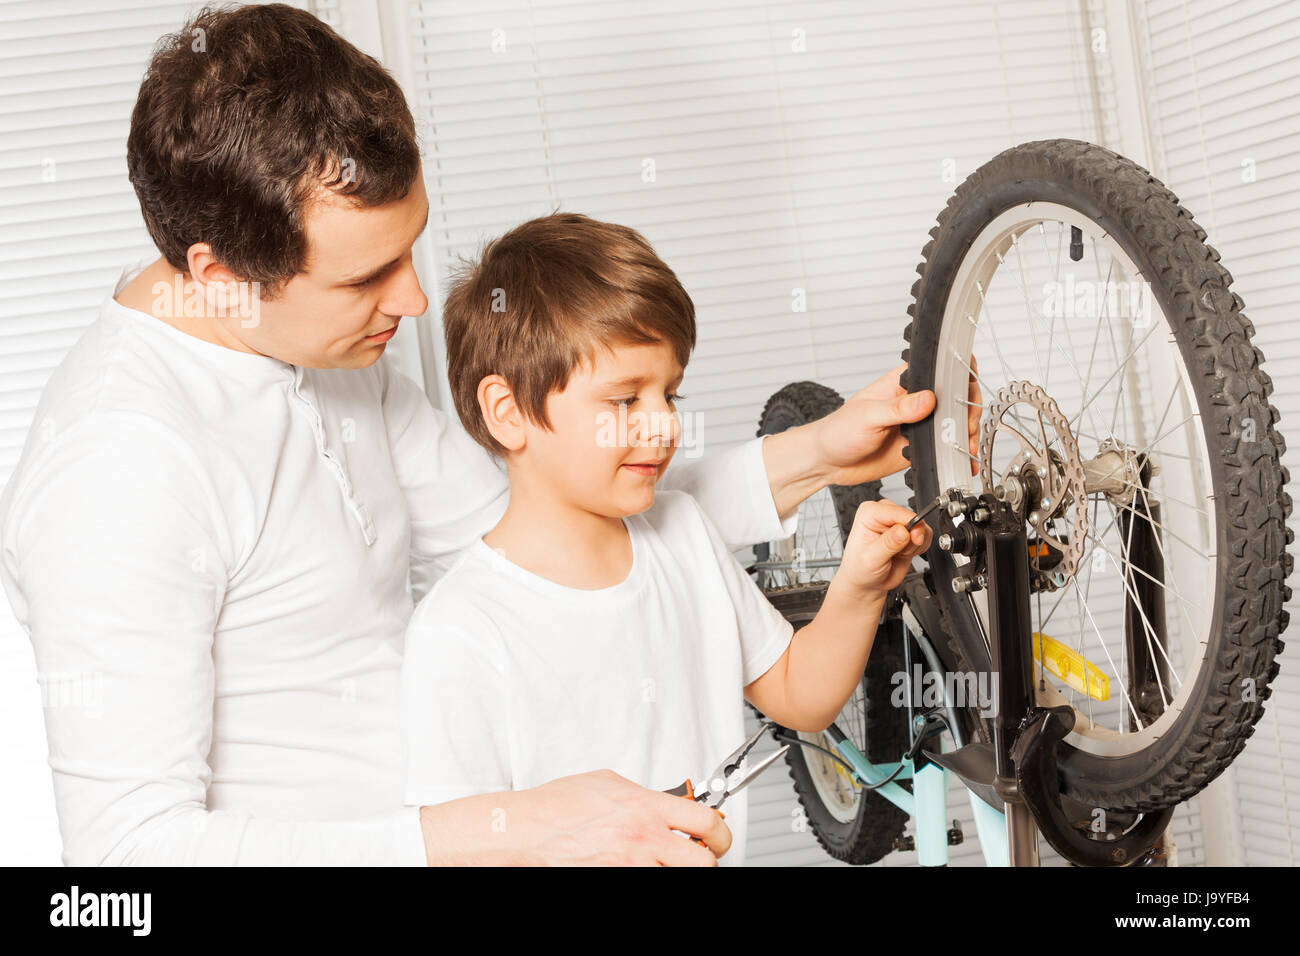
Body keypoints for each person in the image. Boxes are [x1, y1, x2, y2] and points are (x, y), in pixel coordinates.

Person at [0, 3, 974, 865]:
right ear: (217, 275)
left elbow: (548, 519)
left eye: (409, 251)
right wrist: (523, 827)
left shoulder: (311, 345)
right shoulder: (117, 469)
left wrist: (814, 453)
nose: (415, 299)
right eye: (364, 278)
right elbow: (126, 855)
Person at [399, 213, 932, 866]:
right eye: (624, 400)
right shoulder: (461, 630)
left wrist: (859, 588)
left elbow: (800, 695)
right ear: (509, 412)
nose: (663, 426)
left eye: (670, 394)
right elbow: (463, 845)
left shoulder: (682, 534)